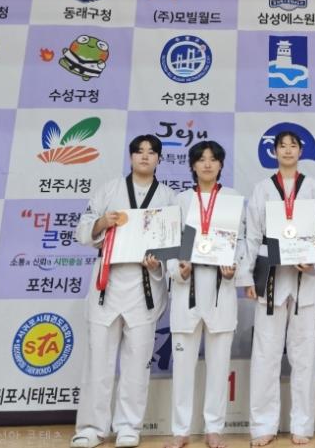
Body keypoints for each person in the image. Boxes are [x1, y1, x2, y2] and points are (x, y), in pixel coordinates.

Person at [71, 134, 175, 448]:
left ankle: (129, 426)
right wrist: (102, 222)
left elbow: (173, 244)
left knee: (137, 361)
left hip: (144, 286)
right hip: (108, 283)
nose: (145, 156)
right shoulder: (109, 190)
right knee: (98, 360)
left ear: (159, 159)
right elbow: (82, 230)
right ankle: (92, 427)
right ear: (130, 157)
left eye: (151, 152)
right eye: (139, 151)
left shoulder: (168, 197)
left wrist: (159, 260)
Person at [243, 129, 315, 446]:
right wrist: (248, 277)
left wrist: (313, 255)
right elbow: (253, 235)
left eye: (293, 145)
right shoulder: (263, 188)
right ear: (275, 151)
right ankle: (263, 425)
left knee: (304, 355)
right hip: (271, 277)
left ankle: (302, 425)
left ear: (301, 151)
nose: (288, 150)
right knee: (265, 353)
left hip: (304, 277)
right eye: (283, 146)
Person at [165, 141, 246, 448]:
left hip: (220, 291)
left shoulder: (233, 199)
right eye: (201, 159)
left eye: (213, 159)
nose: (208, 164)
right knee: (183, 368)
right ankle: (180, 430)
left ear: (221, 164)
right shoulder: (182, 200)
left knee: (219, 366)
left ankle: (214, 428)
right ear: (193, 165)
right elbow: (172, 242)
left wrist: (234, 268)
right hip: (187, 291)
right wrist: (179, 269)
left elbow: (242, 242)